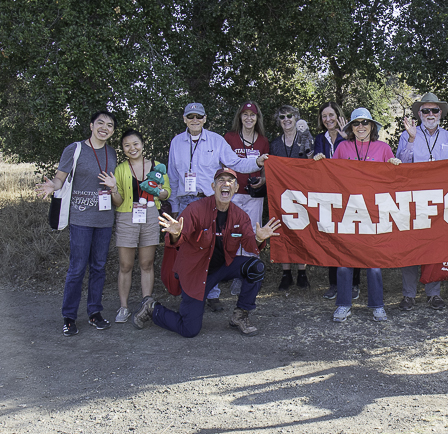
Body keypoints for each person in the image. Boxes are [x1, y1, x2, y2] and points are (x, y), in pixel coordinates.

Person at [131, 168, 282, 337]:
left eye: (230, 181)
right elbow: (178, 238)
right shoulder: (196, 209)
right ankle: (152, 308)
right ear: (213, 186)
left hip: (222, 267)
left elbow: (249, 244)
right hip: (196, 272)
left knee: (256, 267)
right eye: (221, 180)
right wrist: (176, 234)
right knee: (189, 330)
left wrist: (259, 238)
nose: (225, 184)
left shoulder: (240, 216)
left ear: (236, 188)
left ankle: (240, 316)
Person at [167, 102, 268, 311]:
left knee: (210, 248)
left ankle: (211, 293)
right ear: (184, 119)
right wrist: (174, 207)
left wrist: (256, 163)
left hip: (209, 202)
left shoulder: (216, 140)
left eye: (199, 116)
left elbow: (236, 163)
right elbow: (173, 176)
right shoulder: (176, 142)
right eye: (190, 117)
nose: (195, 120)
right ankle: (189, 291)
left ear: (205, 119)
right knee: (187, 250)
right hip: (186, 202)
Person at [314, 108, 401, 322]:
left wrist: (395, 166)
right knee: (344, 260)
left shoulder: (383, 148)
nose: (360, 127)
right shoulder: (343, 147)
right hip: (348, 211)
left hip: (374, 212)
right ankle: (343, 304)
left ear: (372, 126)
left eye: (365, 123)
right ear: (350, 128)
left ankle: (377, 306)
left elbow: (395, 180)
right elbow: (331, 176)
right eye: (356, 123)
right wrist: (320, 163)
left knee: (374, 261)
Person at [36, 111, 118, 336]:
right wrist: (53, 185)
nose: (104, 128)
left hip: (104, 219)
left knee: (99, 267)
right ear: (91, 125)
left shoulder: (112, 152)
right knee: (77, 268)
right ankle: (69, 317)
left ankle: (94, 312)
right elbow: (60, 178)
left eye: (110, 125)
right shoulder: (75, 149)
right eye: (100, 123)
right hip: (81, 218)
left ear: (112, 131)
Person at [98, 129, 170, 323]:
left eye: (135, 144)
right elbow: (118, 201)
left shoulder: (157, 166)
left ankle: (147, 306)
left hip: (150, 215)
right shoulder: (120, 169)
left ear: (142, 144)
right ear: (122, 148)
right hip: (126, 216)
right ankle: (124, 307)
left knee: (147, 264)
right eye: (127, 145)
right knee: (125, 265)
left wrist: (159, 191)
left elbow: (166, 193)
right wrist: (113, 188)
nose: (132, 148)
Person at [395, 92, 448, 311]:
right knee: (411, 246)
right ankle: (409, 295)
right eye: (426, 110)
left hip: (440, 202)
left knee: (435, 247)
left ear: (440, 113)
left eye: (434, 110)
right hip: (413, 199)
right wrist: (412, 139)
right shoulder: (407, 135)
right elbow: (400, 164)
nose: (430, 114)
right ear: (419, 114)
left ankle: (433, 294)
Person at [312, 101, 361, 300]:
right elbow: (316, 165)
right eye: (324, 116)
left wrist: (347, 138)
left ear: (338, 116)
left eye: (331, 115)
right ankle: (334, 283)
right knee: (331, 238)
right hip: (329, 195)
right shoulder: (319, 139)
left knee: (353, 239)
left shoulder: (350, 137)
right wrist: (316, 160)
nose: (328, 119)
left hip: (351, 194)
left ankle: (354, 283)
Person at [223, 101, 270, 295]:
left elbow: (266, 166)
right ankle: (236, 273)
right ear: (240, 117)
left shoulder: (263, 141)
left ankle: (251, 272)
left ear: (257, 118)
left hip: (254, 194)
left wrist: (263, 179)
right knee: (234, 232)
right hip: (233, 193)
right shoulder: (230, 137)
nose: (249, 118)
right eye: (245, 114)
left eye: (252, 115)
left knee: (252, 231)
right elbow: (224, 164)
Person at [269, 105, 312, 290]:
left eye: (289, 116)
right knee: (282, 230)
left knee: (302, 230)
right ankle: (286, 273)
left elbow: (312, 164)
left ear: (296, 118)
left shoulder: (306, 139)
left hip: (302, 193)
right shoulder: (274, 144)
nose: (286, 119)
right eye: (282, 117)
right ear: (278, 121)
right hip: (281, 194)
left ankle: (302, 272)